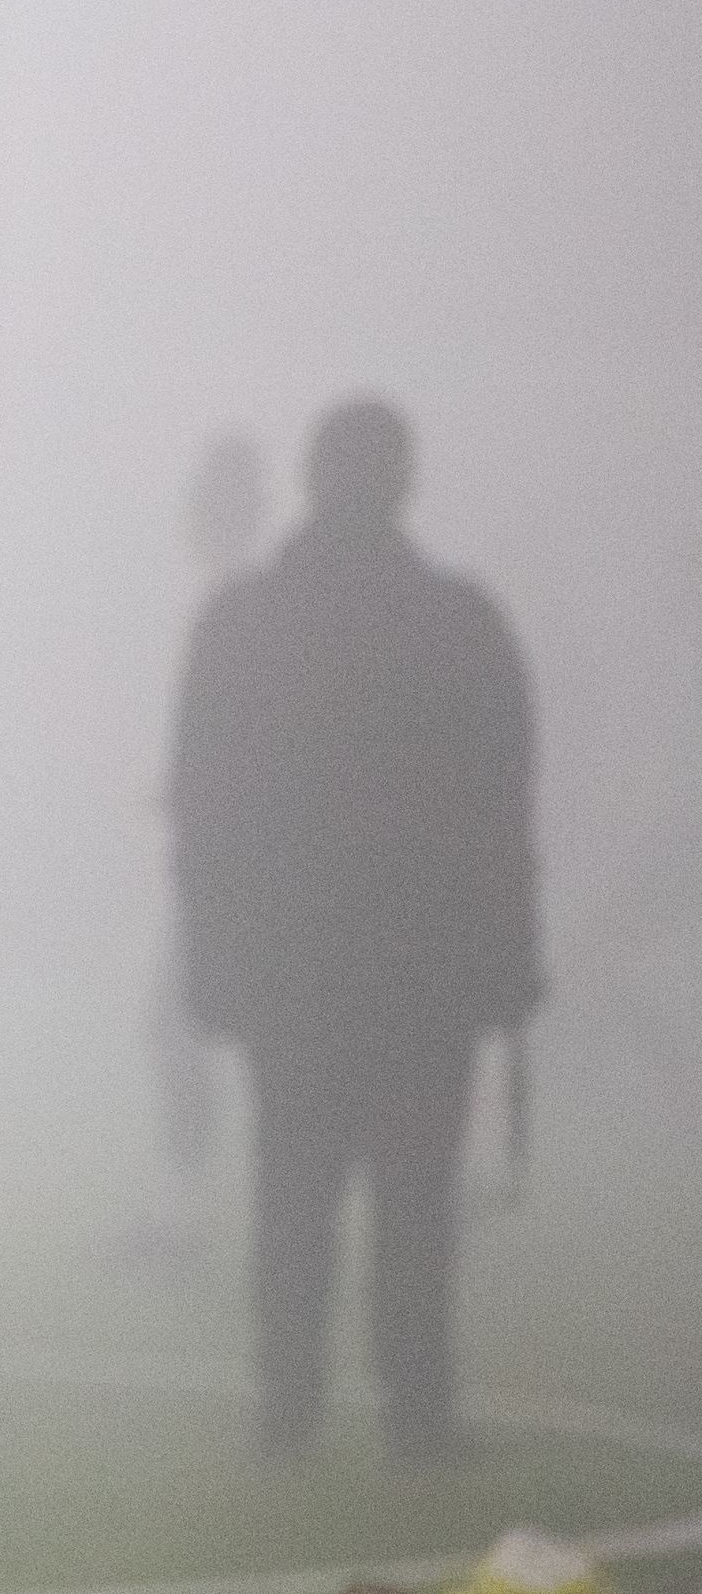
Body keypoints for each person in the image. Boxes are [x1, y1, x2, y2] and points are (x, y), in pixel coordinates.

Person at [171, 397, 541, 1462]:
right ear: (404, 480)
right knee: (414, 1200)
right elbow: (501, 809)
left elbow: (203, 808)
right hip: (424, 969)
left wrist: (211, 962)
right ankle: (415, 1411)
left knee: (293, 1189)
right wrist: (509, 963)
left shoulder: (245, 622)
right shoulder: (458, 621)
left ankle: (287, 1404)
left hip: (293, 969)